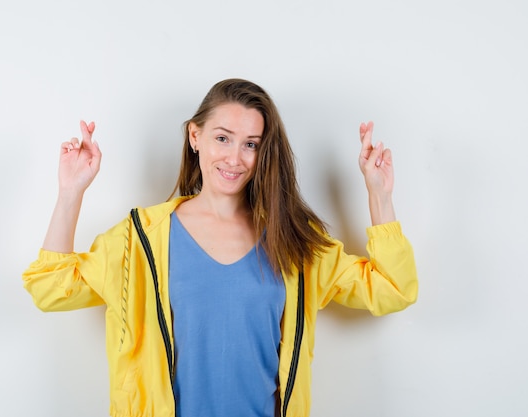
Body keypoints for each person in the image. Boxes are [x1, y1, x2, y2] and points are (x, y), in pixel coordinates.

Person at [22, 78, 418, 417]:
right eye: (222, 138)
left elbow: (392, 289)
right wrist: (71, 192)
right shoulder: (141, 240)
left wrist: (378, 195)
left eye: (251, 144)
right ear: (195, 136)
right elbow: (50, 287)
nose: (235, 158)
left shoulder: (294, 240)